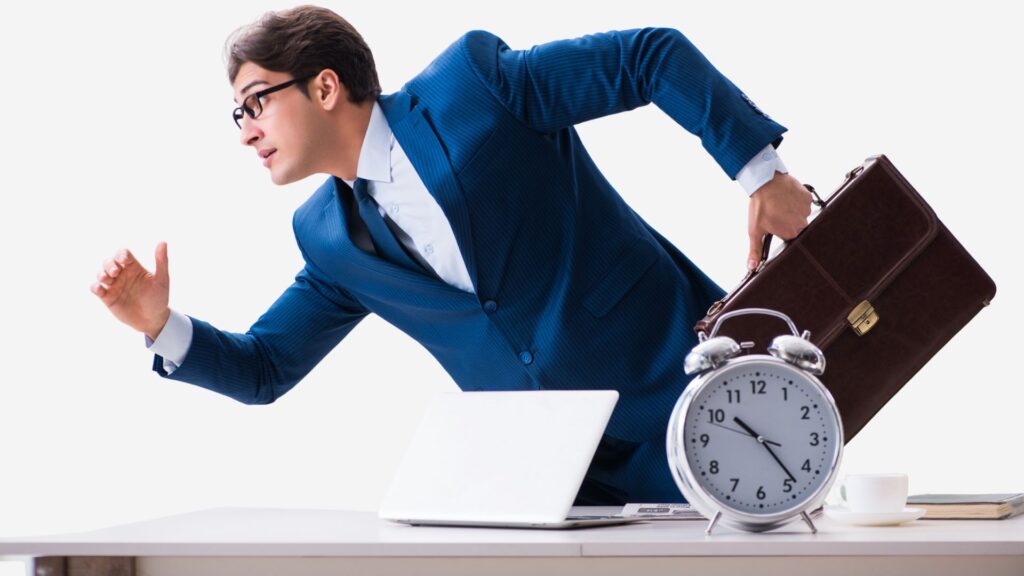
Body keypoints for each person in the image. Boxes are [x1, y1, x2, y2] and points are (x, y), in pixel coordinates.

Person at [90, 5, 812, 505]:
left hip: (702, 409)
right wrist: (160, 325)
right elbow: (264, 368)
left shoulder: (476, 87)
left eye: (255, 103)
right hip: (560, 494)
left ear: (325, 86)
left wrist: (761, 173)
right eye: (236, 115)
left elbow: (647, 57)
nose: (245, 130)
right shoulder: (330, 241)